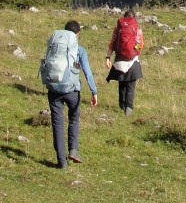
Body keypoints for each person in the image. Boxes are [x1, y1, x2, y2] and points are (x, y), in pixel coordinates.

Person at [45, 20, 97, 169]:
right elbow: (87, 72)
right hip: (72, 91)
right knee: (74, 118)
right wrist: (94, 91)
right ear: (77, 34)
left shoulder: (55, 47)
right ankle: (73, 149)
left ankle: (62, 162)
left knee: (57, 124)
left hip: (54, 89)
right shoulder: (80, 50)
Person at [104, 10, 144, 115]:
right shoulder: (138, 31)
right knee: (131, 86)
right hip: (133, 62)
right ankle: (128, 108)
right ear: (134, 19)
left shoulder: (117, 30)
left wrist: (108, 58)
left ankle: (121, 104)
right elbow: (140, 46)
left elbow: (112, 45)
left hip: (119, 61)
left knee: (122, 84)